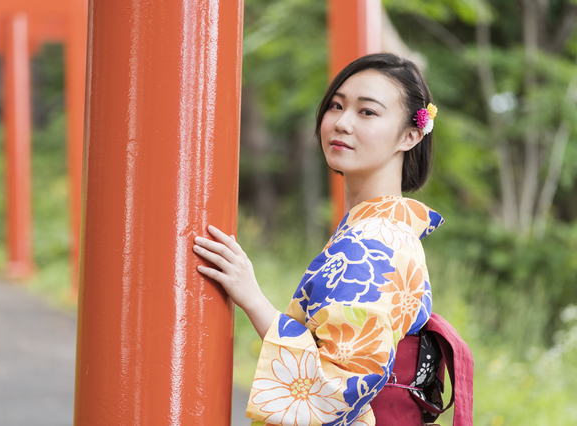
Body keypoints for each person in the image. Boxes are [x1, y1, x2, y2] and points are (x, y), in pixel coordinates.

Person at [193, 53, 470, 425]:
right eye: (336, 106)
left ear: (410, 135)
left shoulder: (375, 243)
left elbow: (335, 387)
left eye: (367, 112)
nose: (342, 123)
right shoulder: (378, 230)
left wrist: (252, 298)